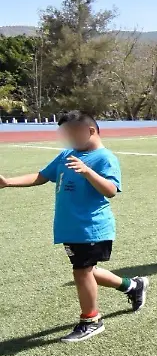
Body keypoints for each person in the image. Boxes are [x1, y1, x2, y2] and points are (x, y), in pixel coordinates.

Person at [0, 111, 144, 343]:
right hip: (70, 227)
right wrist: (8, 182)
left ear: (90, 131)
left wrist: (87, 171)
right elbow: (41, 176)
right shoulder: (66, 155)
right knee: (88, 271)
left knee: (82, 271)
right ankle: (133, 286)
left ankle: (91, 320)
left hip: (92, 227)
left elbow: (110, 190)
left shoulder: (105, 158)